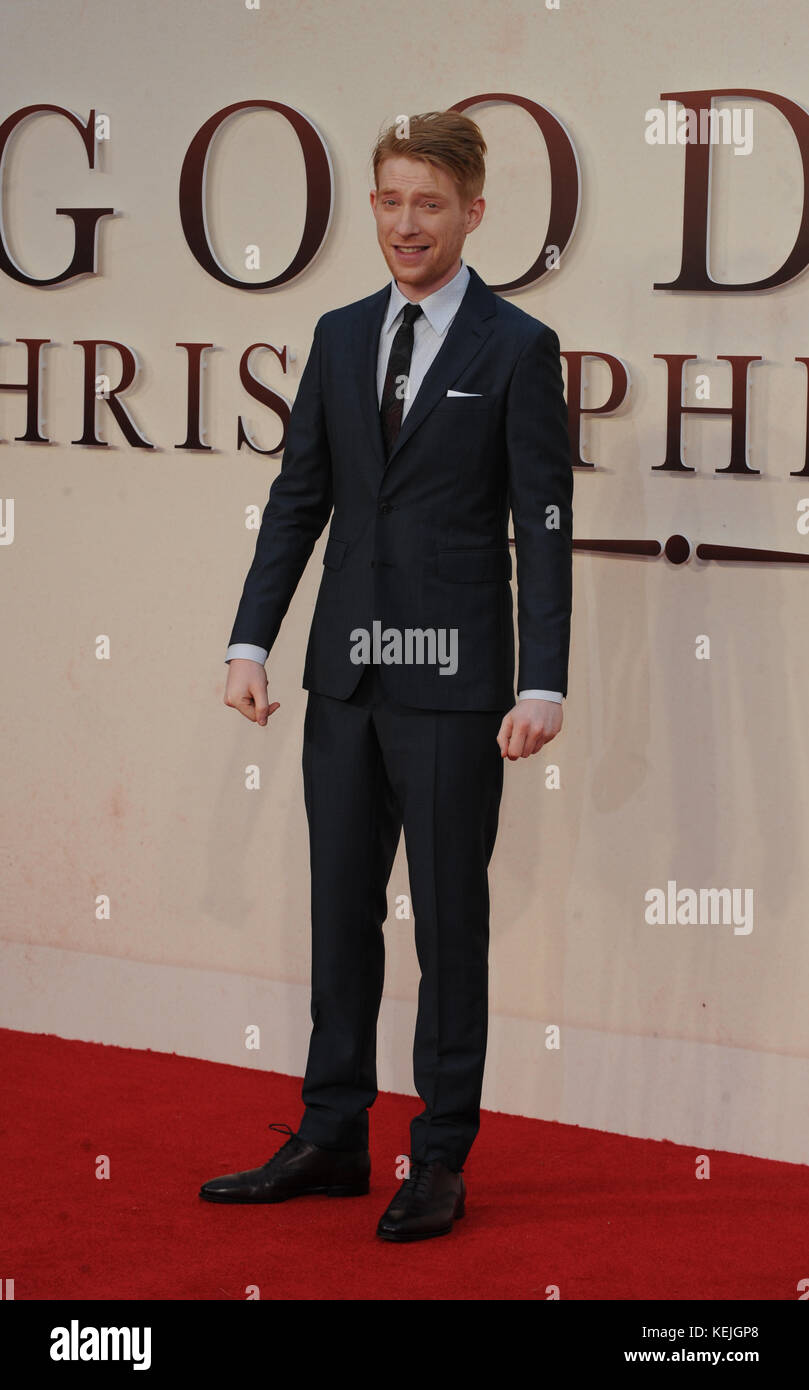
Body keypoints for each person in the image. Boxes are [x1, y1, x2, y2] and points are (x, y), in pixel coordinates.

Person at [199, 109, 573, 1241]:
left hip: (460, 689)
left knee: (449, 927)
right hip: (343, 681)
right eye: (390, 200)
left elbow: (540, 526)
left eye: (429, 203)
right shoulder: (337, 330)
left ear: (471, 212)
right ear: (370, 205)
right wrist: (249, 640)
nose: (406, 223)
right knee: (339, 915)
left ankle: (440, 1155)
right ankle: (331, 1135)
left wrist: (542, 679)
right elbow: (300, 499)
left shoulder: (513, 347)